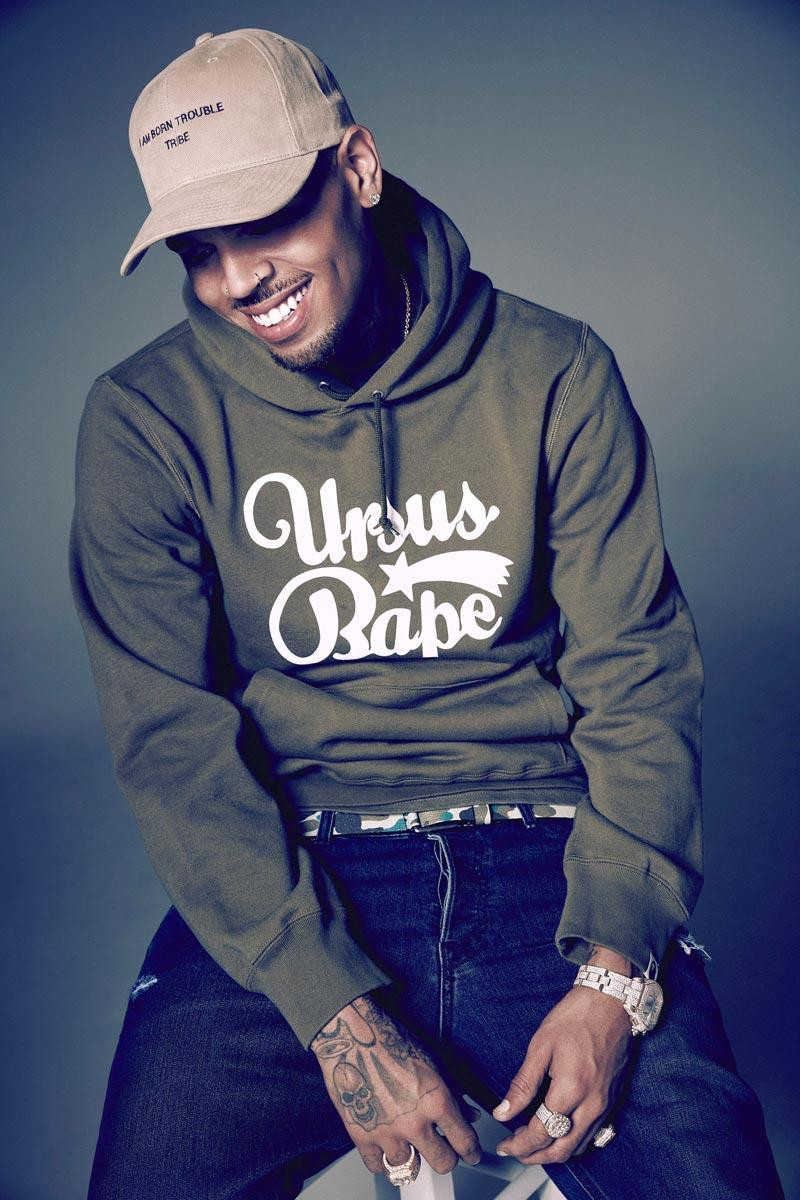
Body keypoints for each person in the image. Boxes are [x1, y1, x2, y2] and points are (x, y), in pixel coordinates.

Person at [69, 26, 785, 1200]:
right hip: (295, 869)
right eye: (198, 249)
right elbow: (171, 740)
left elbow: (635, 674)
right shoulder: (145, 419)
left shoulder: (552, 371)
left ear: (356, 167)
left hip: (550, 855)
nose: (236, 279)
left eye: (261, 220)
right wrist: (333, 1011)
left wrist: (612, 974)